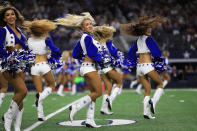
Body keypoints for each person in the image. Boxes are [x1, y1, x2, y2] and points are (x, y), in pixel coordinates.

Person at [56, 12, 110, 128]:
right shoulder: (87, 38)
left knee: (93, 95)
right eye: (87, 24)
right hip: (89, 68)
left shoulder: (85, 38)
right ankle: (76, 106)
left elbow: (75, 54)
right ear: (82, 27)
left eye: (91, 24)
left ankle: (89, 120)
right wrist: (103, 60)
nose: (90, 26)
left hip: (86, 67)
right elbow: (92, 53)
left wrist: (86, 57)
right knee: (98, 93)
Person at [121, 16, 167, 119]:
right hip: (148, 66)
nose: (150, 29)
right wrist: (158, 60)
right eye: (148, 28)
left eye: (150, 28)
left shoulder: (138, 40)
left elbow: (130, 52)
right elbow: (157, 53)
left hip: (139, 68)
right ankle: (153, 102)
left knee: (147, 90)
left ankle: (146, 113)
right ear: (143, 29)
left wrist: (133, 61)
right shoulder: (149, 39)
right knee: (160, 84)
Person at [25, 19, 62, 121]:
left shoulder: (28, 40)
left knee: (38, 90)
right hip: (44, 65)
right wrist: (53, 57)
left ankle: (40, 115)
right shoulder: (46, 39)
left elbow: (27, 53)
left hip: (33, 67)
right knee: (52, 85)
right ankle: (41, 98)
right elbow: (56, 50)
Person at [0, 2, 28, 130]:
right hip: (9, 65)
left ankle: (17, 126)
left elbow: (24, 46)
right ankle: (8, 116)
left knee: (20, 96)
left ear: (15, 16)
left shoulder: (20, 31)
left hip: (21, 64)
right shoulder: (3, 30)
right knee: (23, 91)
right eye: (7, 15)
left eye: (12, 14)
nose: (11, 16)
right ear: (4, 18)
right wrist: (7, 56)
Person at [92, 25, 123, 115]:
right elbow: (113, 52)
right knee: (119, 82)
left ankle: (103, 108)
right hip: (107, 66)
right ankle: (110, 99)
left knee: (108, 87)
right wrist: (118, 57)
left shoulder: (96, 42)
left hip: (100, 68)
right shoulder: (108, 41)